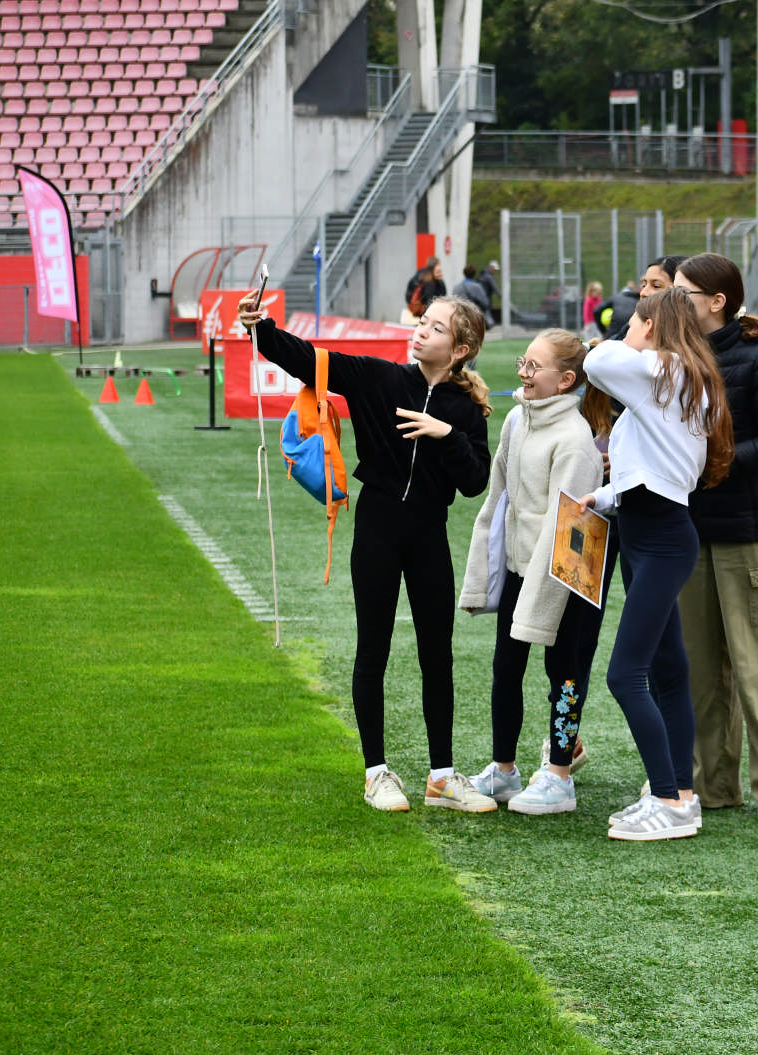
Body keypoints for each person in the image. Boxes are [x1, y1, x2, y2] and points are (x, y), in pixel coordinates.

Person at [238, 293, 494, 811]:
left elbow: (474, 482)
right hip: (377, 528)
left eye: (436, 328)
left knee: (437, 655)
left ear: (460, 349)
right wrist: (260, 327)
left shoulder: (466, 411)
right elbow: (309, 360)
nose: (421, 331)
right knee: (372, 650)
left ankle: (442, 777)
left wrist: (446, 434)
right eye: (422, 322)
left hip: (429, 534)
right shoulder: (379, 378)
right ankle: (376, 773)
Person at [577, 288, 734, 841]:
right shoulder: (679, 375)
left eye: (635, 323)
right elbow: (656, 466)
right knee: (667, 670)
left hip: (662, 539)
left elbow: (596, 362)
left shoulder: (664, 370)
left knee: (625, 675)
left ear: (651, 326)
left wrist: (632, 338)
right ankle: (679, 796)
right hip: (651, 530)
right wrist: (604, 497)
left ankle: (668, 798)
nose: (626, 332)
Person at [672, 252, 758, 818]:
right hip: (688, 534)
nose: (672, 301)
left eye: (682, 292)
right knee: (699, 670)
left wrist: (713, 461)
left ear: (717, 301)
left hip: (748, 536)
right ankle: (711, 786)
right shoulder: (671, 359)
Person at [459, 329, 606, 815]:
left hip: (566, 578)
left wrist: (538, 600)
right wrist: (486, 571)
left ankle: (560, 776)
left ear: (565, 380)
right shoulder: (516, 421)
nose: (523, 373)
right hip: (521, 568)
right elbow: (497, 500)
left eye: (534, 367)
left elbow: (566, 530)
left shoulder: (575, 440)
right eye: (522, 362)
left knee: (564, 674)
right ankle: (503, 770)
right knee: (506, 667)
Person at [403, 256, 442, 323]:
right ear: (433, 268)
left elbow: (409, 291)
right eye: (438, 265)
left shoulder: (421, 275)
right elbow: (430, 300)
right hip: (426, 312)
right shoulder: (430, 283)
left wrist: (411, 303)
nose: (440, 268)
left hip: (418, 309)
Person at [479, 260, 502, 327]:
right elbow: (495, 287)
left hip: (481, 297)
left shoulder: (483, 274)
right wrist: (501, 295)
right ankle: (489, 324)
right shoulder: (488, 276)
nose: (495, 271)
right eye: (494, 269)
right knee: (487, 311)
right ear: (491, 268)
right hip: (486, 297)